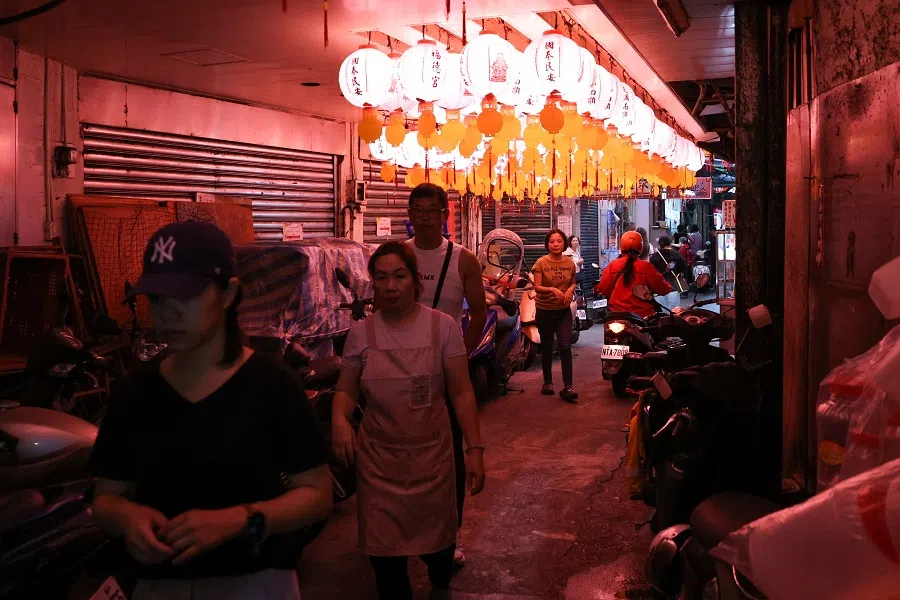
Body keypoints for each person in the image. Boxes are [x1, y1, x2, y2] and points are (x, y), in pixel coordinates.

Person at [90, 221, 332, 600]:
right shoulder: (134, 391)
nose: (167, 313)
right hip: (159, 587)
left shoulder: (272, 386)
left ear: (228, 293)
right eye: (156, 298)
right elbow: (105, 498)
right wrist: (128, 518)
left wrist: (240, 520)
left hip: (257, 583)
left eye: (184, 296)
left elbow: (317, 495)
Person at [332, 242, 486, 600]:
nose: (390, 286)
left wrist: (474, 449)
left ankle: (439, 576)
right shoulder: (361, 334)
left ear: (415, 281)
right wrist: (340, 418)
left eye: (399, 276)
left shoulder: (443, 327)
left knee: (439, 558)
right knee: (386, 566)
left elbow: (462, 392)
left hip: (433, 458)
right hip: (378, 464)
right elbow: (345, 390)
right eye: (381, 277)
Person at [404, 182, 487, 567]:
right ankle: (402, 532)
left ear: (444, 214)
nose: (424, 216)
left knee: (449, 455)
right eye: (417, 209)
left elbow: (480, 313)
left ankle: (449, 537)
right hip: (399, 374)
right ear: (410, 214)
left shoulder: (462, 259)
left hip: (444, 374)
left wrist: (461, 356)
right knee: (401, 454)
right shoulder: (397, 256)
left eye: (431, 210)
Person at [531, 228, 578, 403]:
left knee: (565, 346)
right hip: (545, 310)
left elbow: (573, 282)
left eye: (559, 241)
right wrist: (552, 289)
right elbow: (537, 287)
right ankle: (548, 382)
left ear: (564, 243)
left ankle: (568, 386)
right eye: (552, 242)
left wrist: (569, 292)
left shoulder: (570, 263)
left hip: (563, 311)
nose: (555, 244)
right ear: (547, 244)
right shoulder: (541, 263)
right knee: (548, 346)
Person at [598, 230, 672, 319]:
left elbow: (604, 288)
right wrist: (668, 287)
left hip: (617, 313)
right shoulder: (646, 266)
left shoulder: (612, 265)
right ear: (640, 247)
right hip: (643, 315)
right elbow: (662, 287)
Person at [650, 236, 688, 308]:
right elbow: (683, 269)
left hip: (659, 288)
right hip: (673, 286)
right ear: (670, 243)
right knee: (674, 311)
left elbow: (651, 273)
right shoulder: (677, 254)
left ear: (659, 244)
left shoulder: (654, 257)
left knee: (662, 313)